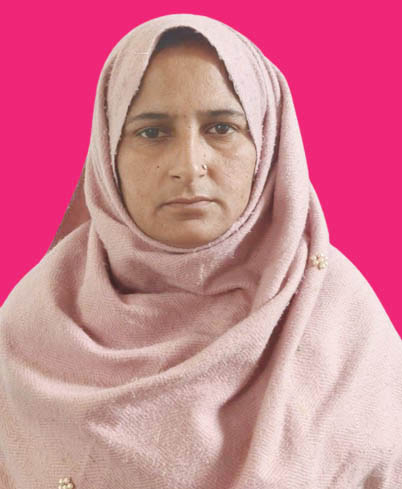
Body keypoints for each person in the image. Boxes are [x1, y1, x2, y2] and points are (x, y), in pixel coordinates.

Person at [1, 13, 401, 489]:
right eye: (152, 132)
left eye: (221, 128)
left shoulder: (338, 319)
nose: (189, 165)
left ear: (268, 142)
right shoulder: (36, 323)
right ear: (108, 154)